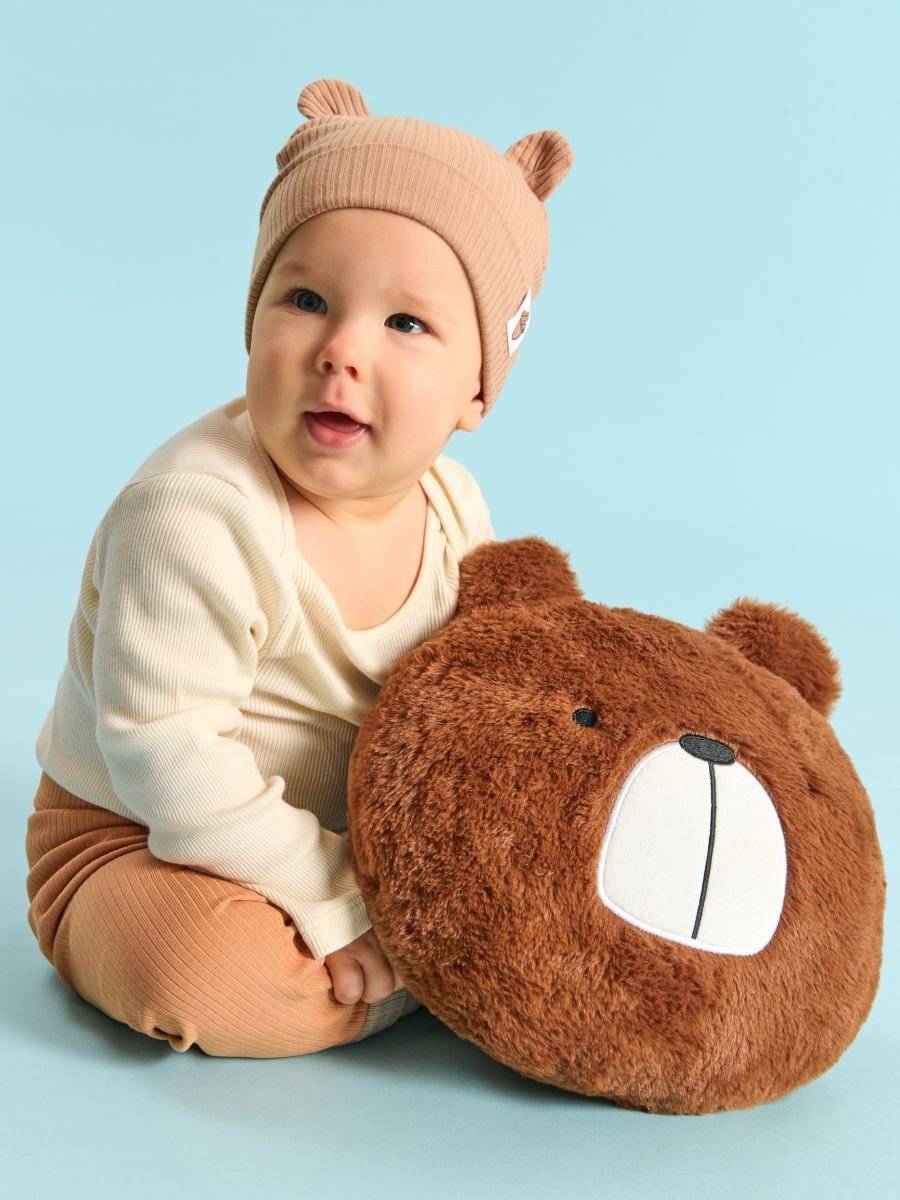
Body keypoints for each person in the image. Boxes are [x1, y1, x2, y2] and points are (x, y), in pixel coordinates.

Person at [24, 77, 573, 1057]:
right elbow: (168, 755)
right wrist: (340, 900)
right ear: (253, 323)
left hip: (348, 840)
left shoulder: (456, 511)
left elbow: (481, 699)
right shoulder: (196, 514)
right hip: (138, 834)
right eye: (307, 300)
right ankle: (428, 975)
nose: (341, 350)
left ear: (477, 393)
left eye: (406, 324)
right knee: (201, 972)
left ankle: (429, 951)